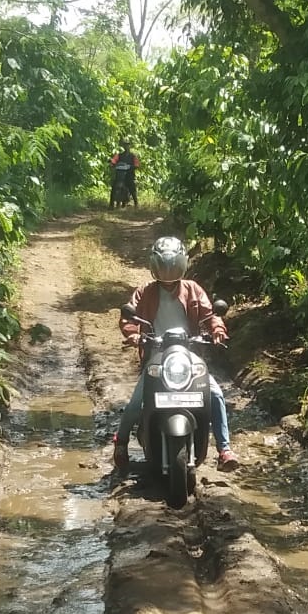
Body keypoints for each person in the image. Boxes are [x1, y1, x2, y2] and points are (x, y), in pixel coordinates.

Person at [113, 236, 240, 474]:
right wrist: (132, 334)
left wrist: (217, 330)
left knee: (215, 395)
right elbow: (128, 317)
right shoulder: (145, 292)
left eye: (172, 265)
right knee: (134, 404)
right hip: (157, 357)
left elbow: (211, 313)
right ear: (154, 266)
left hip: (188, 356)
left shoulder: (193, 290)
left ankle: (224, 450)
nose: (168, 271)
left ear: (182, 264)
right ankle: (120, 443)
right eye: (163, 265)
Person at [109, 138, 139, 207]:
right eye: (125, 145)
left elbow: (137, 164)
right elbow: (114, 160)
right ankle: (111, 205)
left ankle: (136, 203)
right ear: (123, 146)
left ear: (130, 146)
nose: (126, 146)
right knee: (114, 186)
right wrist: (112, 163)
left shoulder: (133, 156)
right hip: (120, 174)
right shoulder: (119, 155)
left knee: (132, 187)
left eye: (128, 145)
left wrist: (132, 166)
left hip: (129, 175)